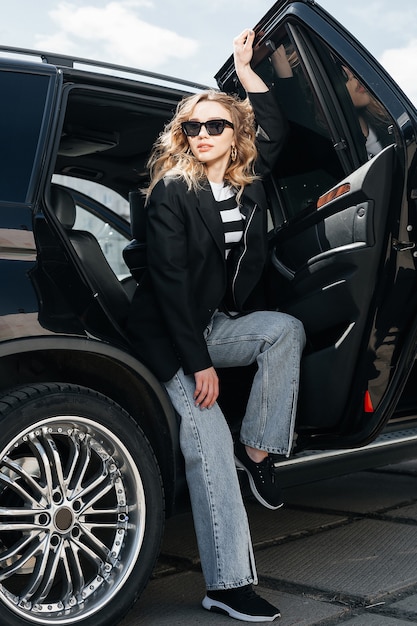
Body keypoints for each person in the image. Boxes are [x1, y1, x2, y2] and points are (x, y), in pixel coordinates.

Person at [125, 29, 305, 623]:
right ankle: (227, 585)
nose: (202, 135)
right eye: (192, 128)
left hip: (212, 324)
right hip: (170, 337)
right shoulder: (173, 190)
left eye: (215, 126)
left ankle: (260, 454)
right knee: (208, 445)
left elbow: (273, 123)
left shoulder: (245, 186)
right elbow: (170, 283)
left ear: (236, 135)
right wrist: (199, 363)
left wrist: (246, 68)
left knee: (284, 330)